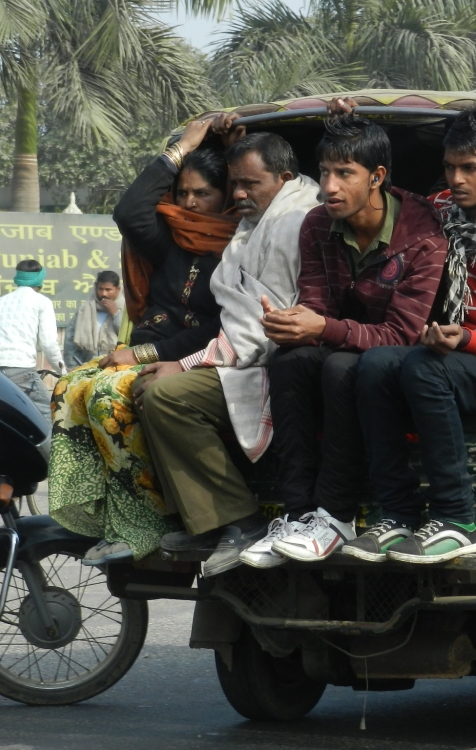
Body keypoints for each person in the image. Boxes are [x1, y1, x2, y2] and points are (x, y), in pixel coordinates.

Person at [246, 108, 448, 567]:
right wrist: (293, 323)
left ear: (377, 177)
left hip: (401, 359)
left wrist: (323, 328)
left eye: (344, 174)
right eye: (324, 173)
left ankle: (336, 515)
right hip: (345, 343)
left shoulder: (423, 235)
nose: (329, 186)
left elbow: (401, 332)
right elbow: (319, 304)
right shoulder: (317, 224)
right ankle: (299, 515)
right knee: (289, 360)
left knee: (341, 366)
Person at [48, 116, 240, 565]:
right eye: (183, 192)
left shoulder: (240, 243)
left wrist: (142, 352)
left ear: (227, 195)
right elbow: (129, 210)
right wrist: (181, 148)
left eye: (202, 194)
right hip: (146, 349)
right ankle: (111, 517)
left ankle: (150, 520)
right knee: (67, 389)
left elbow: (220, 327)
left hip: (196, 356)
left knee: (108, 395)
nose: (189, 202)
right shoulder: (171, 239)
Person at [341, 105, 476, 563]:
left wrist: (467, 340)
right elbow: (378, 190)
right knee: (375, 364)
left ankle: (457, 517)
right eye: (449, 167)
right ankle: (397, 513)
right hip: (444, 351)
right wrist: (353, 126)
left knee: (423, 370)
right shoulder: (439, 210)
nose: (457, 179)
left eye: (471, 168)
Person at [134, 131, 321, 577]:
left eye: (249, 184)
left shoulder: (292, 220)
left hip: (269, 358)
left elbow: (263, 324)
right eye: (234, 184)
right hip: (235, 350)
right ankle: (197, 520)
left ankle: (239, 520)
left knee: (166, 397)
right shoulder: (253, 222)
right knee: (142, 390)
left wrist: (182, 362)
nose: (238, 194)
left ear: (285, 177)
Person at [0, 259, 65, 424]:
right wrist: (63, 372)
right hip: (21, 372)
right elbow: (49, 344)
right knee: (47, 419)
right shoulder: (42, 302)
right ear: (40, 280)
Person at [63, 270, 125, 368]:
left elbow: (128, 337)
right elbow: (70, 341)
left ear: (118, 289)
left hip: (117, 369)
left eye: (108, 290)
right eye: (100, 289)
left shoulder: (127, 310)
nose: (104, 294)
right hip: (88, 367)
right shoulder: (86, 309)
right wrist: (74, 367)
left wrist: (116, 314)